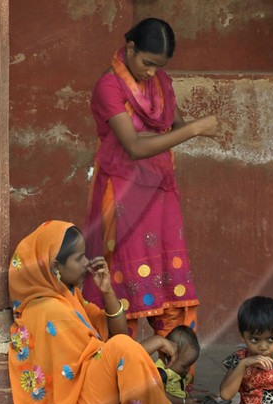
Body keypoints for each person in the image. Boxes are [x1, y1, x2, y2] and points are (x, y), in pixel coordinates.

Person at [7, 220, 212, 404]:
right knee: (123, 349)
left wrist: (107, 292)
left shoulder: (68, 298)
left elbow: (116, 334)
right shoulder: (49, 310)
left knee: (122, 347)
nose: (86, 263)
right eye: (79, 258)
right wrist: (157, 343)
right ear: (55, 267)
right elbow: (117, 350)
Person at [82, 17, 220, 339]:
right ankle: (120, 369)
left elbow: (172, 126)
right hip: (122, 193)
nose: (151, 73)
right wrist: (195, 129)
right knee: (121, 279)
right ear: (130, 48)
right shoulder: (109, 86)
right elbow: (133, 146)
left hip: (159, 191)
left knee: (170, 286)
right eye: (147, 63)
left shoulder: (160, 84)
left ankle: (172, 378)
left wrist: (187, 128)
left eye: (159, 67)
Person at [152, 326, 218, 404]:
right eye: (185, 365)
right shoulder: (161, 372)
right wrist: (183, 403)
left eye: (190, 365)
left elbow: (185, 390)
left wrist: (201, 394)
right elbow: (161, 395)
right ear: (169, 357)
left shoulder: (179, 372)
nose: (187, 369)